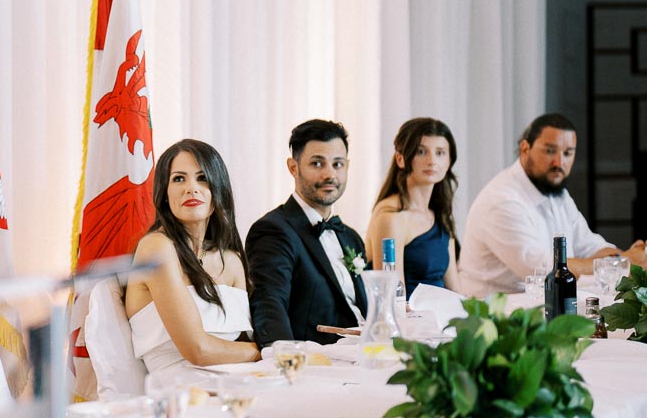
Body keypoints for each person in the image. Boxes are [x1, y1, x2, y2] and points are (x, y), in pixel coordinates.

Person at [460, 113, 645, 297]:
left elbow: (590, 245)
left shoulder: (556, 192)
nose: (559, 162)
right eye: (550, 151)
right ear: (525, 149)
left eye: (567, 153)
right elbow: (545, 270)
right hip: (497, 314)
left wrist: (628, 259)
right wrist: (624, 263)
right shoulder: (501, 201)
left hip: (542, 304)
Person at [124, 140, 261, 371]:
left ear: (218, 189)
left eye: (202, 178)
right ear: (164, 193)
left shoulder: (232, 260)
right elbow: (197, 350)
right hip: (180, 389)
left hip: (239, 378)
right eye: (179, 179)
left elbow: (244, 337)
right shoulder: (156, 247)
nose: (191, 188)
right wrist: (264, 352)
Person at [247, 119, 369, 345]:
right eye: (317, 164)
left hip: (367, 356)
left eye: (337, 164)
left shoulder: (351, 237)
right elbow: (269, 303)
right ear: (293, 167)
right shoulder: (273, 230)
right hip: (319, 366)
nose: (329, 175)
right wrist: (286, 363)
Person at [365, 117, 461, 295]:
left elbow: (455, 290)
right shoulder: (391, 217)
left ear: (449, 162)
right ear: (401, 159)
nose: (432, 161)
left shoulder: (441, 214)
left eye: (440, 153)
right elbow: (393, 297)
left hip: (443, 316)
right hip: (410, 319)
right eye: (421, 152)